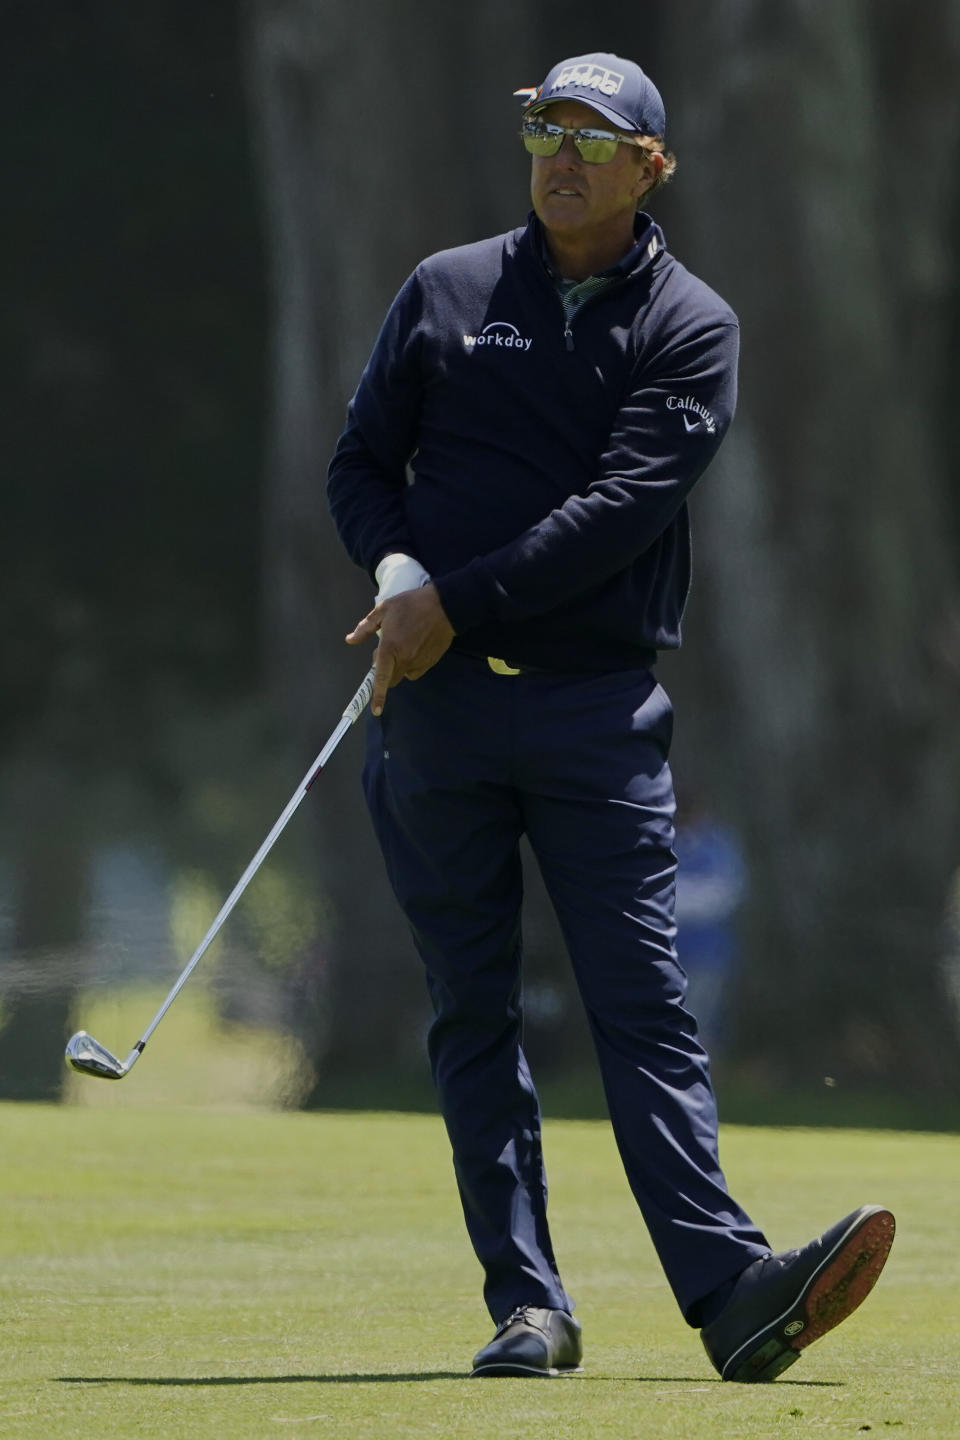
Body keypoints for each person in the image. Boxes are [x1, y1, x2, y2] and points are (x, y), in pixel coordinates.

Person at [326, 51, 894, 1380]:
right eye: (541, 128)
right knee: (472, 1010)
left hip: (593, 714)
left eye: (589, 134)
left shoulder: (693, 325)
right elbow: (362, 458)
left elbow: (619, 513)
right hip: (440, 714)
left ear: (652, 165)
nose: (559, 153)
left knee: (642, 1007)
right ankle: (526, 1304)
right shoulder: (448, 289)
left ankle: (732, 1293)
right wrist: (399, 573)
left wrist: (450, 599)